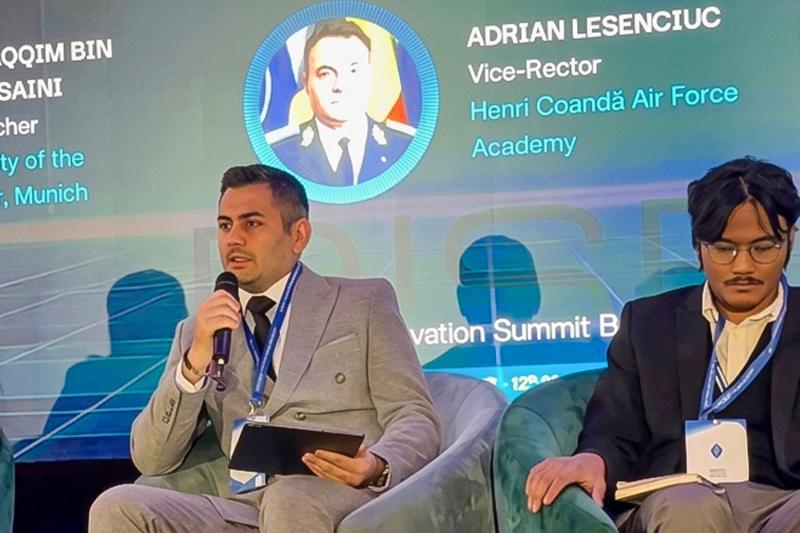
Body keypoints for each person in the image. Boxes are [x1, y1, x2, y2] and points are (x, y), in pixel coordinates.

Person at [89, 164, 440, 532]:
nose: (233, 239)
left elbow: (414, 413)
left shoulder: (362, 303)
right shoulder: (200, 331)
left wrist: (377, 465)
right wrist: (193, 365)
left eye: (251, 223)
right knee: (116, 505)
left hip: (335, 494)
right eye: (225, 225)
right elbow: (152, 460)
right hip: (240, 502)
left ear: (299, 235)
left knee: (290, 498)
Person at [525, 157, 800, 532]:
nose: (743, 267)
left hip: (782, 499)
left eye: (763, 248)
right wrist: (593, 459)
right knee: (688, 509)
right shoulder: (648, 324)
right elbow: (614, 429)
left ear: (790, 240)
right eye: (724, 249)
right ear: (698, 246)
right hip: (679, 495)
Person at [270, 19, 414, 187]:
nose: (339, 86)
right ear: (306, 82)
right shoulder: (279, 151)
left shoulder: (406, 145)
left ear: (369, 75)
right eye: (325, 73)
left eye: (353, 71)